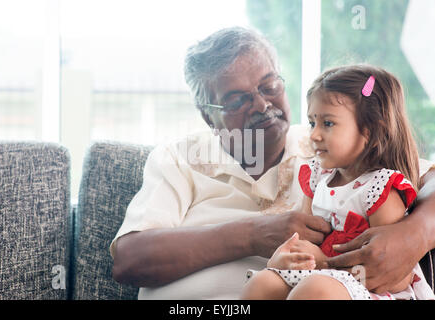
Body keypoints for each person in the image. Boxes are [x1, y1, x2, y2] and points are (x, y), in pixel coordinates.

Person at [110, 27, 435, 300]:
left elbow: (422, 177)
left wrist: (415, 234)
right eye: (237, 99)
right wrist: (254, 234)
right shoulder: (179, 159)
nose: (262, 104)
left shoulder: (331, 148)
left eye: (270, 86)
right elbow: (130, 259)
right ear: (207, 115)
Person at [240, 65, 435, 300]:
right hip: (319, 276)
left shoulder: (380, 189)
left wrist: (325, 263)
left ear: (371, 132)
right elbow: (299, 242)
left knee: (315, 291)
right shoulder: (317, 177)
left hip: (365, 288)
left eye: (328, 123)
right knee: (262, 284)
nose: (314, 135)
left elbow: (395, 275)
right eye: (313, 123)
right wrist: (285, 257)